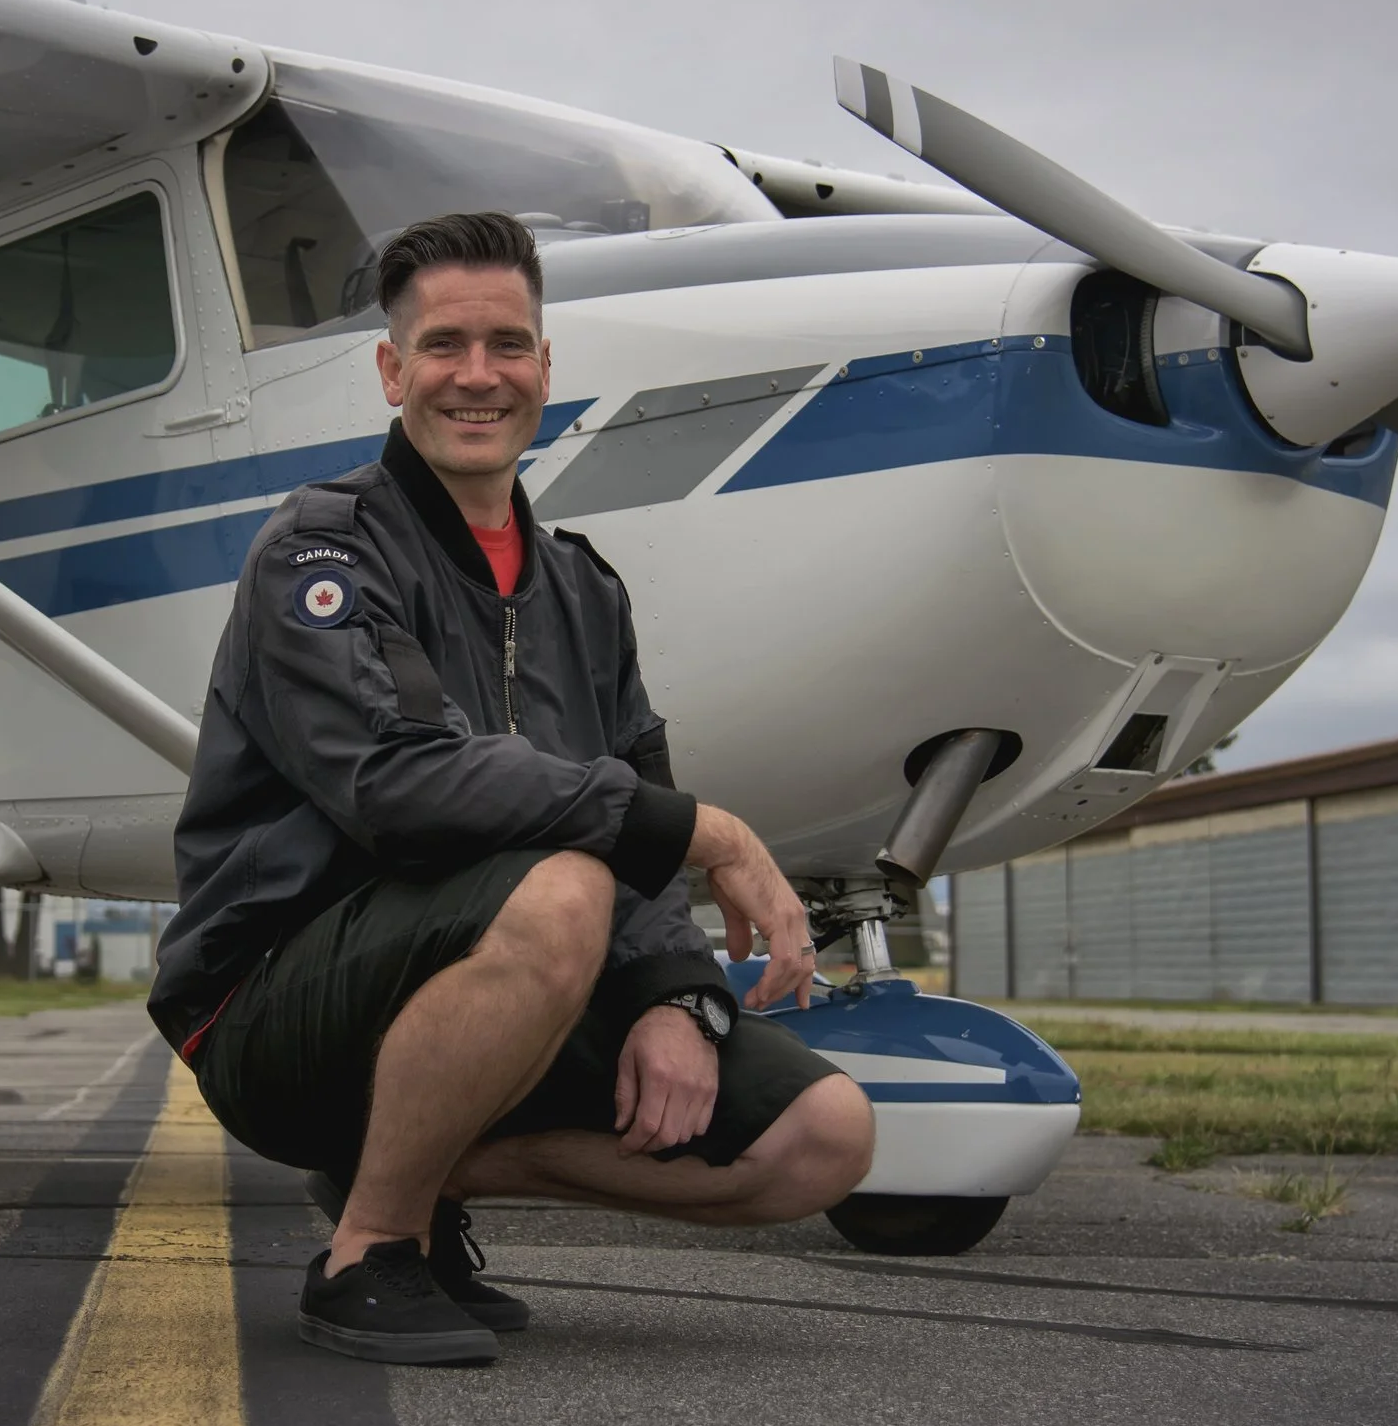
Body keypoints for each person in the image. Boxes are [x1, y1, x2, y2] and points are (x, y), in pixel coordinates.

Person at [150, 211, 874, 1365]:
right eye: (442, 346)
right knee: (562, 889)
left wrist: (674, 1000)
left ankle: (397, 1164)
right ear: (393, 372)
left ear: (546, 367)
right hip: (275, 996)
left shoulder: (586, 589)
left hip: (506, 972)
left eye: (507, 345)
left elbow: (632, 788)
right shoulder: (320, 550)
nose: (475, 376)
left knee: (822, 1138)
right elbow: (395, 782)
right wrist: (708, 834)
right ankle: (373, 1250)